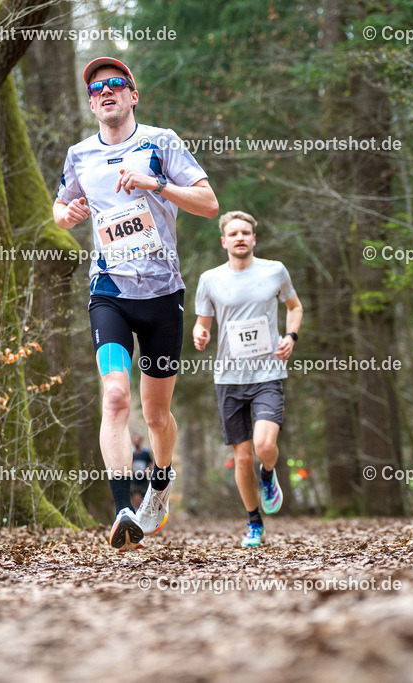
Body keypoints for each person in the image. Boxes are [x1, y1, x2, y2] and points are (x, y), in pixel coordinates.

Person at [53, 57, 219, 550]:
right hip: (110, 292)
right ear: (90, 103)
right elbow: (59, 208)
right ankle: (123, 506)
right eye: (97, 88)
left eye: (115, 85)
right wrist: (69, 213)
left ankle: (161, 481)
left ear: (132, 95)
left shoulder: (161, 141)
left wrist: (156, 184)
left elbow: (208, 204)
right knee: (115, 396)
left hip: (163, 295)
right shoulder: (79, 154)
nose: (106, 92)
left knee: (156, 415)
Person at [193, 211, 303, 547]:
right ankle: (254, 522)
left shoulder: (275, 271)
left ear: (254, 239)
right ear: (223, 241)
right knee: (242, 457)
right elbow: (202, 323)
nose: (240, 238)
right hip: (228, 378)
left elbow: (295, 307)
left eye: (246, 233)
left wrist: (291, 336)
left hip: (268, 373)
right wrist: (200, 334)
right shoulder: (210, 279)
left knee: (264, 446)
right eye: (233, 233)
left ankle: (268, 475)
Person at [129, 435, 154, 510]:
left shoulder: (146, 453)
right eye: (135, 441)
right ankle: (134, 511)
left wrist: (148, 471)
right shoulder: (131, 453)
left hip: (143, 479)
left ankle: (142, 511)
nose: (136, 443)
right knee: (133, 495)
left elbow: (150, 464)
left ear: (140, 442)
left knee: (144, 497)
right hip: (133, 479)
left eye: (138, 441)